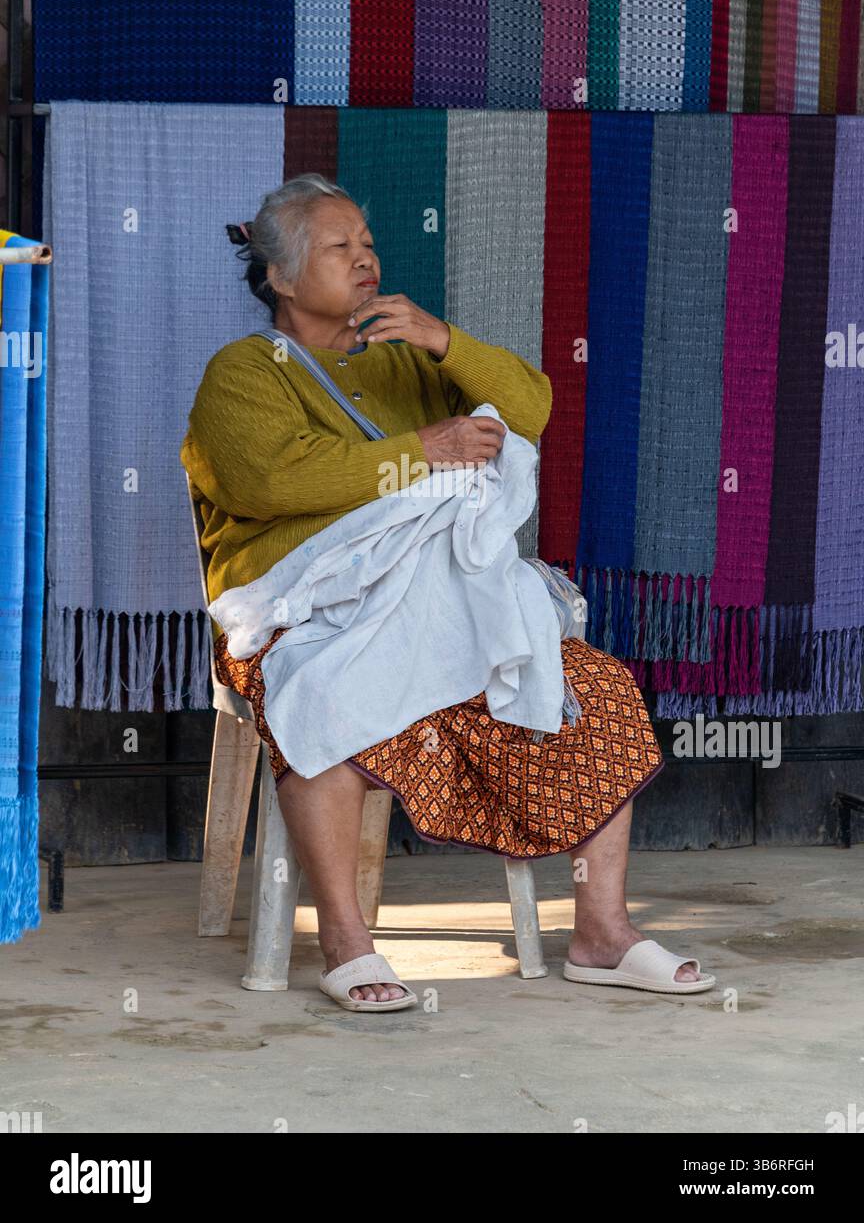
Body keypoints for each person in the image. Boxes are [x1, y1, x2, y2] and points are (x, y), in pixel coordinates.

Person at [180, 173, 715, 1010]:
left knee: (592, 686)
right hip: (300, 611)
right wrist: (421, 453)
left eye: (367, 242)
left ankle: (602, 932)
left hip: (437, 604)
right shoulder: (245, 371)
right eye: (338, 246)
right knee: (319, 688)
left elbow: (532, 408)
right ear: (280, 277)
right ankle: (347, 945)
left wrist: (443, 340)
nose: (365, 259)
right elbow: (269, 482)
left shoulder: (405, 363)